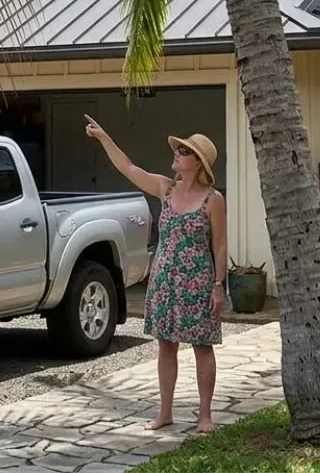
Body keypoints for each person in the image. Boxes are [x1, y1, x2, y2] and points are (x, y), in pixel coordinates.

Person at [84, 115, 227, 434]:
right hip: (164, 280)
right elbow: (129, 168)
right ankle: (165, 412)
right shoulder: (165, 188)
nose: (177, 152)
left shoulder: (213, 200)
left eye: (184, 151)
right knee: (166, 345)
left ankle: (205, 415)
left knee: (202, 345)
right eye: (178, 149)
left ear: (198, 163)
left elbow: (219, 245)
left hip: (198, 281)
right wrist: (105, 138)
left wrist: (218, 285)